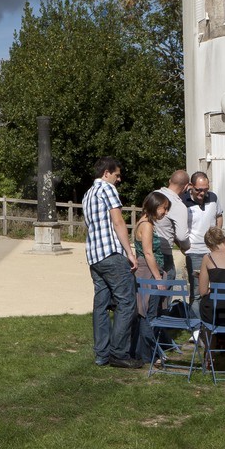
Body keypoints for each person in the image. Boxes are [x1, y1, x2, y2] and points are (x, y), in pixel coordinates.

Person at [82, 157, 139, 368]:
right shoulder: (107, 190)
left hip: (94, 256)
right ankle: (119, 353)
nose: (119, 179)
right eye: (117, 175)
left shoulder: (88, 194)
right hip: (111, 254)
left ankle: (101, 354)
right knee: (126, 303)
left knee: (101, 305)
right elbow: (118, 222)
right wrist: (129, 252)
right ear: (106, 173)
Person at [130, 191, 174, 366]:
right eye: (164, 208)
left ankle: (143, 353)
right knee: (149, 314)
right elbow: (148, 253)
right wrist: (158, 278)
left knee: (145, 313)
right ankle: (151, 355)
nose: (165, 212)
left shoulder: (144, 222)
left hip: (147, 272)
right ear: (155, 206)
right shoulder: (146, 225)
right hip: (148, 273)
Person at [181, 171, 220, 299]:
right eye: (198, 190)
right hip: (194, 252)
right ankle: (196, 319)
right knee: (197, 290)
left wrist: (217, 236)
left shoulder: (213, 198)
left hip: (213, 251)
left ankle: (212, 318)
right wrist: (182, 245)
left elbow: (219, 216)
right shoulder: (183, 201)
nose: (202, 193)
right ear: (191, 186)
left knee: (216, 289)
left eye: (206, 189)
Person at [155, 169, 189, 278]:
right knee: (165, 291)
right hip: (163, 253)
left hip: (145, 250)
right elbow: (182, 236)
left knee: (147, 291)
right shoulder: (178, 205)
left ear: (170, 181)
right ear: (186, 186)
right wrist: (186, 248)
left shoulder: (153, 195)